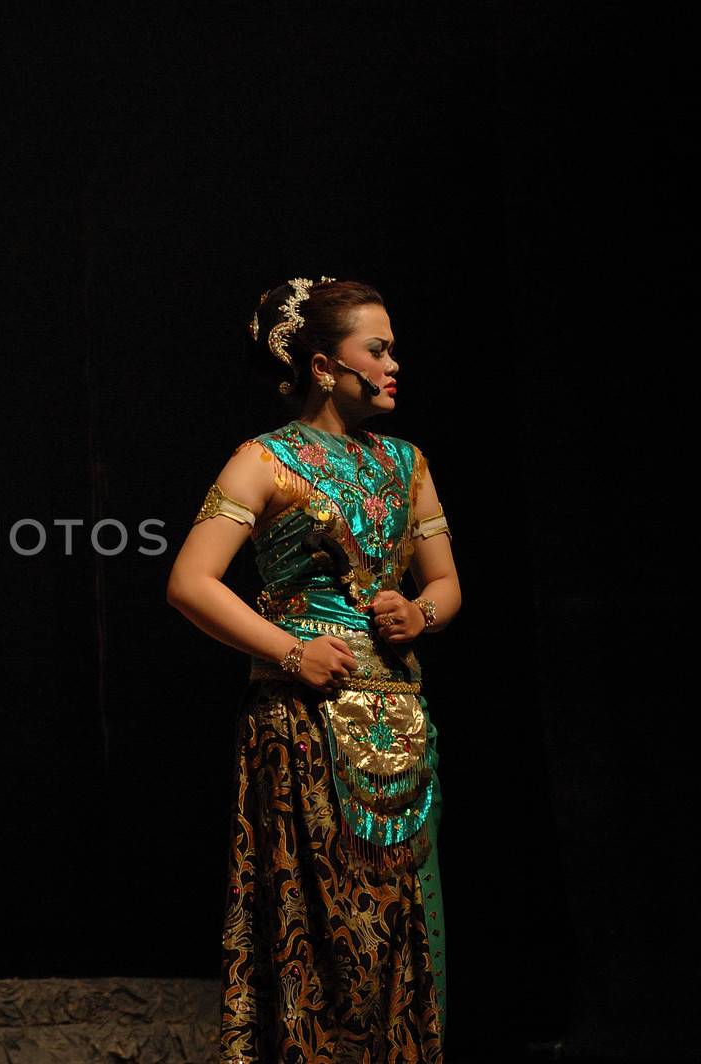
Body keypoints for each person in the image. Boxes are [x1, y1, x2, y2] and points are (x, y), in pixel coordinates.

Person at [167, 278, 459, 1061]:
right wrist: (290, 651)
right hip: (303, 726)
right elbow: (189, 583)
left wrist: (418, 613)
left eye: (393, 348)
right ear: (327, 366)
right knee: (327, 936)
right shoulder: (263, 460)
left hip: (400, 723)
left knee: (406, 933)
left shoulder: (407, 462)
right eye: (379, 348)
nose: (395, 363)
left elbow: (446, 584)